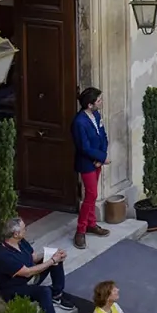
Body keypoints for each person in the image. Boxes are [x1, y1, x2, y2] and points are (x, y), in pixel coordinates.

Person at [0, 216, 72, 313]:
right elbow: (26, 272)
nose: (26, 230)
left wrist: (54, 255)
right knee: (44, 291)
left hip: (29, 278)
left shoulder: (21, 242)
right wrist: (51, 260)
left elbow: (34, 258)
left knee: (55, 261)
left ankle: (56, 295)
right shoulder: (3, 255)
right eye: (24, 229)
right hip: (14, 289)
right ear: (16, 233)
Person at [71, 87, 111, 249]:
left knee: (93, 195)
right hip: (86, 163)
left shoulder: (96, 115)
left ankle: (92, 223)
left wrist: (102, 156)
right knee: (91, 194)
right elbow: (84, 147)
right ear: (89, 104)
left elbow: (103, 136)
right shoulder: (79, 122)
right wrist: (100, 157)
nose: (101, 102)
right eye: (99, 100)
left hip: (97, 161)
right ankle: (80, 229)